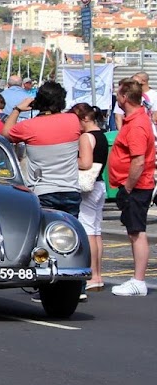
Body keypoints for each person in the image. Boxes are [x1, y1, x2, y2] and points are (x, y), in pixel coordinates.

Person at [2, 81, 81, 215]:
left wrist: (17, 109)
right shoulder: (73, 120)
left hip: (42, 191)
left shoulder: (28, 126)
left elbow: (6, 133)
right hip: (71, 190)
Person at [109, 78, 154, 297]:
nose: (117, 97)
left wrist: (126, 188)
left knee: (137, 232)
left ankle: (138, 280)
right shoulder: (134, 119)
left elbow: (138, 161)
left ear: (125, 97)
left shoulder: (136, 124)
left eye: (118, 94)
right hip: (134, 185)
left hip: (136, 186)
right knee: (134, 231)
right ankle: (137, 279)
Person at [71, 103, 107, 294]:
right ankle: (98, 275)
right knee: (96, 230)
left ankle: (92, 275)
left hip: (88, 186)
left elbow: (85, 163)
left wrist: (69, 159)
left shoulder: (86, 136)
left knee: (88, 230)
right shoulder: (101, 135)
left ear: (85, 118)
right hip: (100, 183)